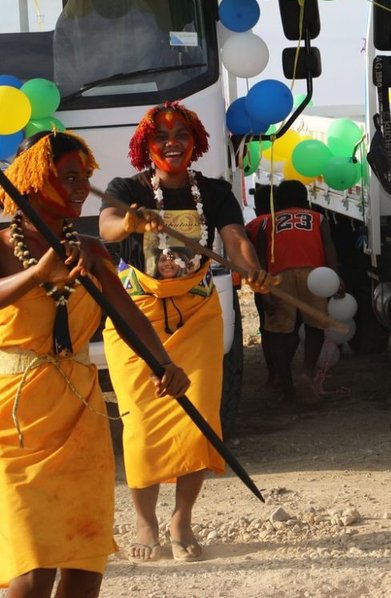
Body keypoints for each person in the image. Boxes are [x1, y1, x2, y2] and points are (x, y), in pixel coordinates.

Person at [0, 131, 189, 597]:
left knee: (84, 562)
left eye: (84, 177)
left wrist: (164, 363)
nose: (81, 187)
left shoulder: (93, 251)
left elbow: (128, 317)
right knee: (32, 567)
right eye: (68, 177)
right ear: (31, 180)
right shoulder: (2, 245)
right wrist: (38, 275)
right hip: (14, 417)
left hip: (79, 413)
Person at [97, 102, 269, 564]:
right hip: (137, 317)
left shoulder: (213, 190)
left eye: (181, 134)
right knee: (140, 426)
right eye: (161, 136)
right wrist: (130, 220)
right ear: (145, 145)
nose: (171, 142)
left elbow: (235, 239)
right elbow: (107, 227)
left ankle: (181, 519)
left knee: (199, 423)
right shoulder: (126, 189)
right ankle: (146, 520)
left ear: (196, 141)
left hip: (197, 316)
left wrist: (252, 271)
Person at [244, 179, 339, 404]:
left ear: (276, 202)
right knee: (315, 325)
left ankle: (285, 384)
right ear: (306, 201)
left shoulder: (267, 222)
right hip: (313, 275)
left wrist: (263, 290)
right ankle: (306, 372)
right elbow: (329, 247)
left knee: (279, 332)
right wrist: (335, 277)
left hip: (279, 277)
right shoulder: (318, 218)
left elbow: (260, 258)